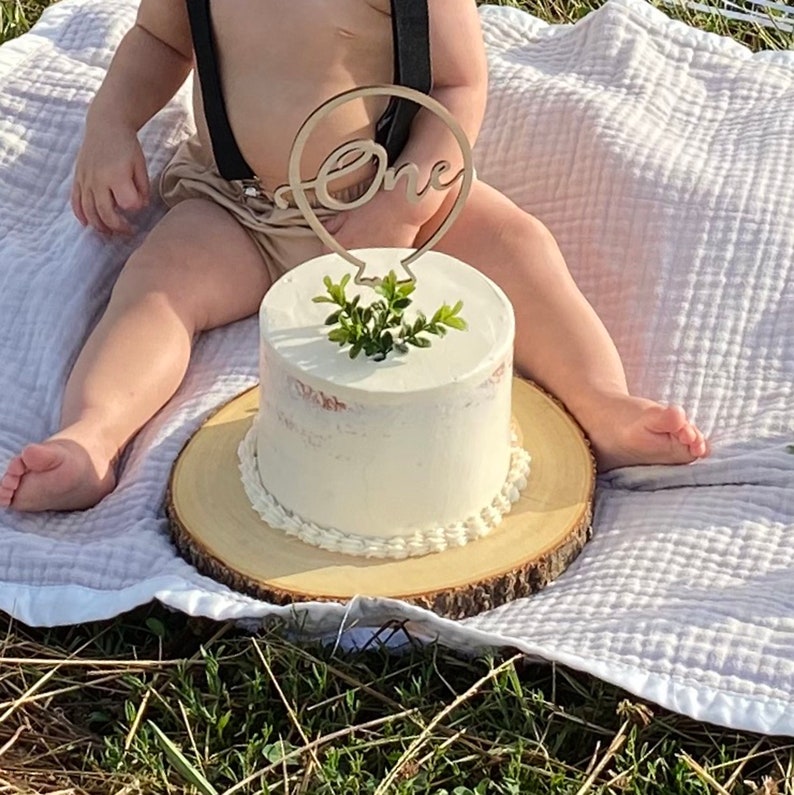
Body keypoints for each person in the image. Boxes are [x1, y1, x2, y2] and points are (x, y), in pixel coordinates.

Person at [0, 0, 707, 513]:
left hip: (390, 192)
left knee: (520, 246)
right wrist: (110, 123)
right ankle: (93, 436)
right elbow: (160, 40)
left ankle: (600, 401)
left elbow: (459, 85)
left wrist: (401, 204)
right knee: (156, 285)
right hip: (245, 206)